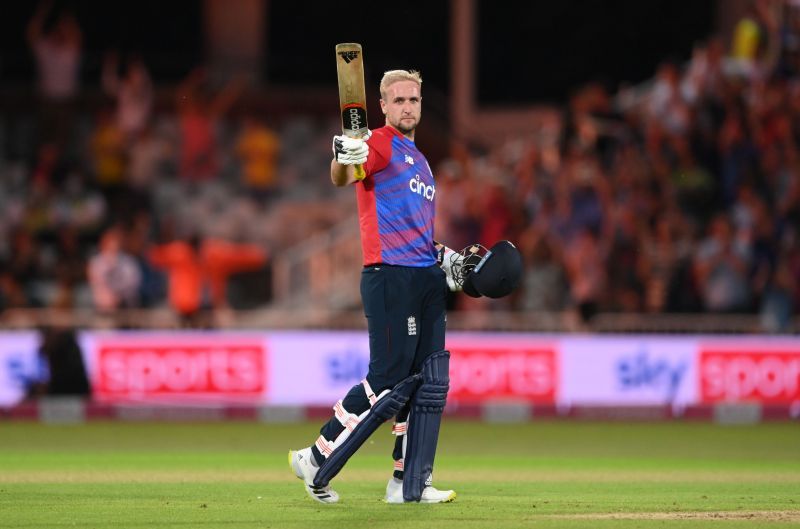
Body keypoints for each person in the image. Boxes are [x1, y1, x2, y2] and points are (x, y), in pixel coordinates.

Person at [288, 70, 458, 504]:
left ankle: (408, 483)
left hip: (425, 278)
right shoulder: (379, 142)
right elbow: (344, 175)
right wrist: (344, 157)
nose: (407, 107)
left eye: (414, 100)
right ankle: (315, 454)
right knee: (387, 379)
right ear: (383, 105)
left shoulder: (421, 162)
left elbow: (418, 231)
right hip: (390, 275)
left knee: (427, 384)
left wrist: (446, 258)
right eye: (399, 100)